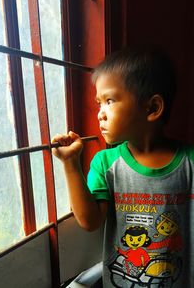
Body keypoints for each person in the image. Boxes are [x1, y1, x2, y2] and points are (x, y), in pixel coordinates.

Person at [52, 47, 194, 287]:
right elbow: (89, 221)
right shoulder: (106, 163)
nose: (100, 114)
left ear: (152, 108)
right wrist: (70, 163)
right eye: (99, 103)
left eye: (109, 101)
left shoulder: (189, 163)